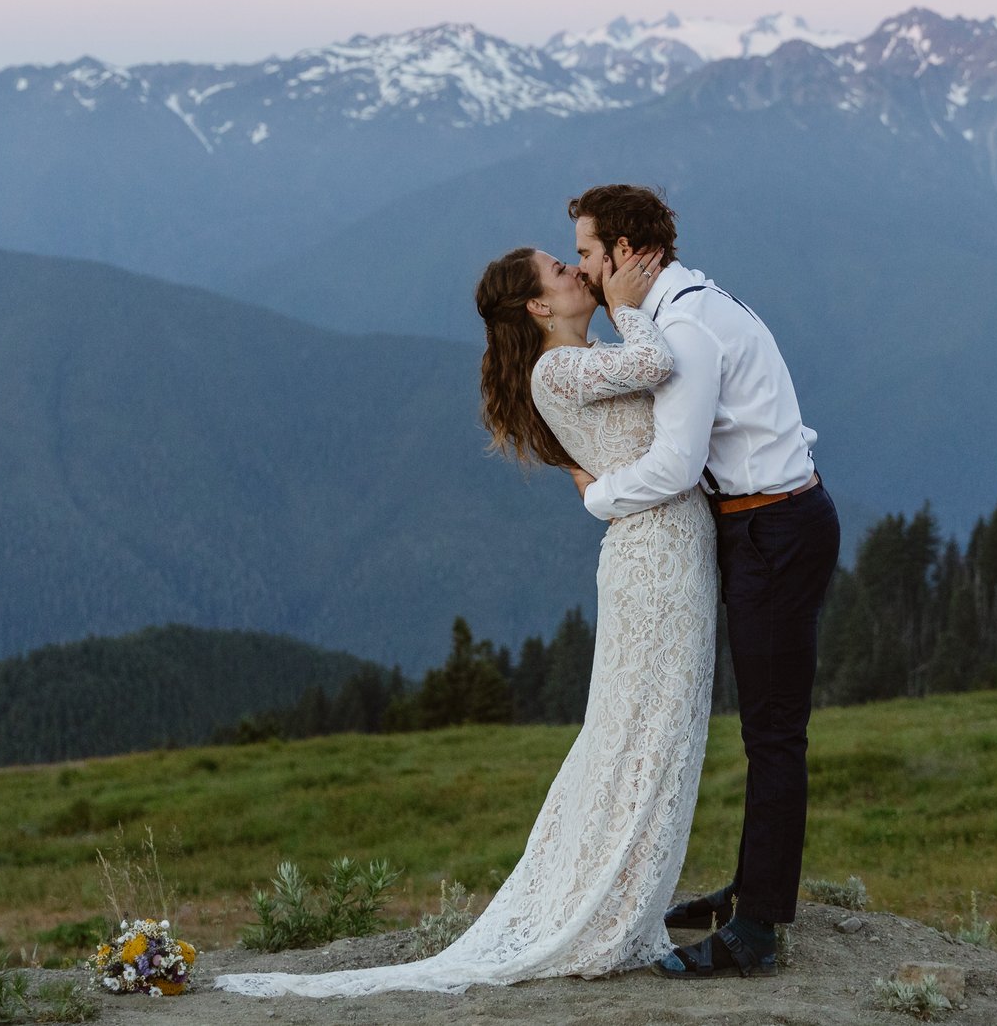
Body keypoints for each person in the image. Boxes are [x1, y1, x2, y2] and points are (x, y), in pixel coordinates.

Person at [215, 241, 716, 996]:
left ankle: (617, 896)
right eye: (561, 269)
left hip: (666, 552)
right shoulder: (560, 367)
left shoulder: (582, 358)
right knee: (639, 729)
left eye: (570, 259)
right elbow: (656, 366)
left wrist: (623, 312)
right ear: (539, 308)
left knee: (653, 727)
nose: (577, 269)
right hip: (656, 561)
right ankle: (604, 905)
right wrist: (633, 298)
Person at [568, 183, 839, 980]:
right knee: (766, 725)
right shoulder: (690, 300)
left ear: (627, 251)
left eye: (588, 251)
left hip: (772, 529)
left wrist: (598, 497)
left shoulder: (682, 323)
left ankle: (756, 931)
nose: (582, 268)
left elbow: (678, 461)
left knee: (774, 732)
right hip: (773, 518)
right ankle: (755, 889)